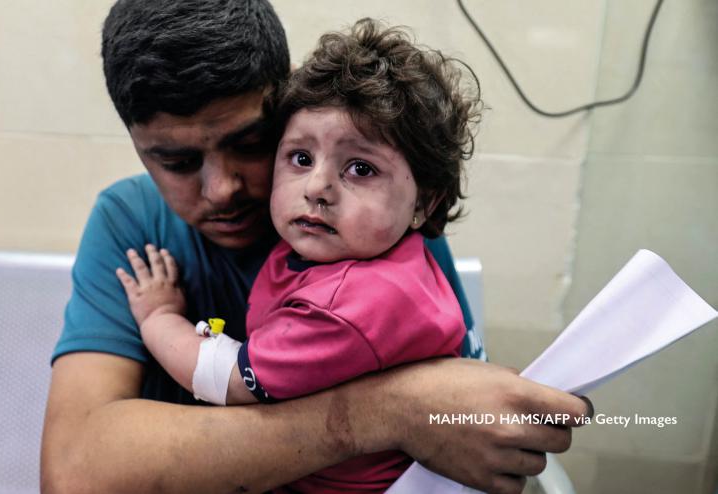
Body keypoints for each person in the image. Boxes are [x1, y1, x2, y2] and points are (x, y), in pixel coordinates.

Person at [40, 1, 591, 494]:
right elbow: (76, 473)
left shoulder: (384, 237)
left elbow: (464, 422)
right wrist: (389, 411)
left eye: (250, 144)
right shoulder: (132, 222)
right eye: (177, 162)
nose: (222, 189)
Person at [115, 18, 474, 492]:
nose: (318, 188)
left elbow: (227, 379)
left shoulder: (354, 306)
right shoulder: (360, 252)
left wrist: (160, 316)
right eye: (301, 158)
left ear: (424, 204)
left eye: (361, 168)